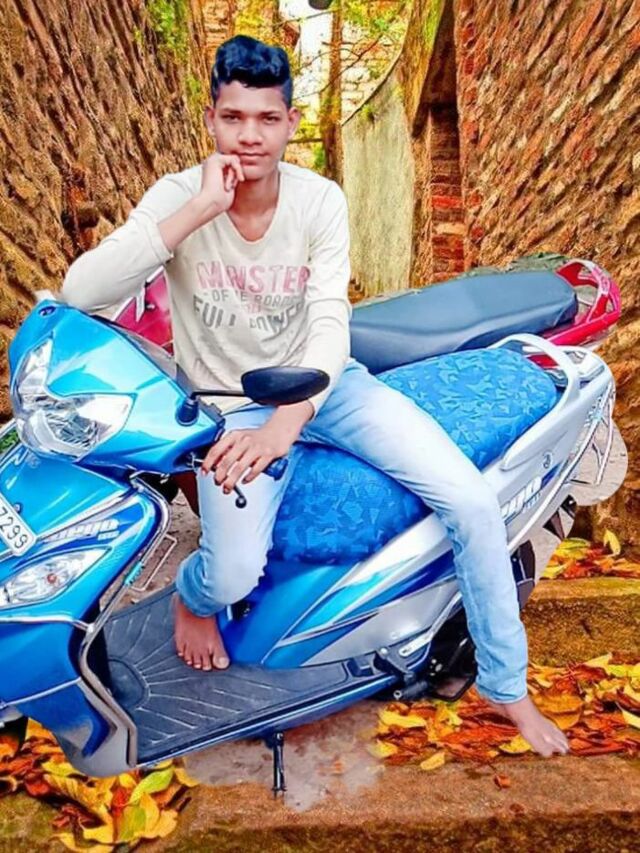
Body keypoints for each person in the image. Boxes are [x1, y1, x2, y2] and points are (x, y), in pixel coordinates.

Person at [62, 35, 569, 757]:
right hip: (230, 405)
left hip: (330, 388)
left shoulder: (319, 200)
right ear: (211, 119)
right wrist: (198, 210)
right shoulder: (179, 196)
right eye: (234, 117)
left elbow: (332, 322)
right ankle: (190, 602)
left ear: (290, 123)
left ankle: (506, 685)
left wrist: (287, 424)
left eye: (267, 119)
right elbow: (82, 291)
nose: (250, 136)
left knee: (471, 501)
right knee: (231, 572)